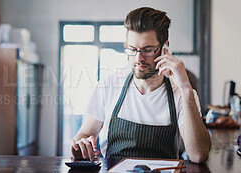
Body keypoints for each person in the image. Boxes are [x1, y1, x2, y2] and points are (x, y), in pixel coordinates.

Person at [71, 7, 211, 163]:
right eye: (132, 49)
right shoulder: (108, 85)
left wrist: (186, 89)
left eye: (148, 50)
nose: (138, 58)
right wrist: (81, 144)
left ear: (165, 48)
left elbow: (199, 155)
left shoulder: (181, 94)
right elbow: (83, 134)